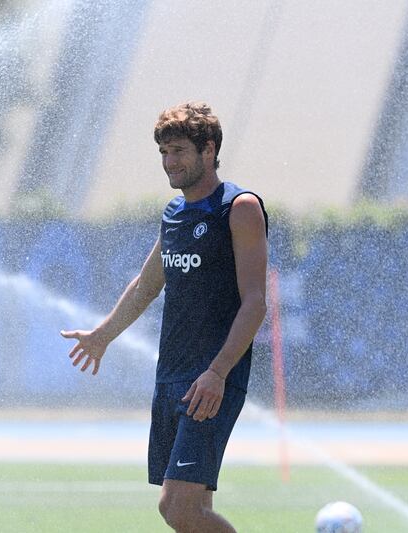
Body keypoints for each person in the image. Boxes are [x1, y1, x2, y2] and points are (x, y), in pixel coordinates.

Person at [60, 101, 268, 533]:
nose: (168, 163)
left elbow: (255, 303)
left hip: (210, 379)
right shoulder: (173, 214)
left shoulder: (239, 208)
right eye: (163, 154)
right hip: (171, 375)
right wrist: (104, 335)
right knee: (188, 509)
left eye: (178, 152)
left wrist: (217, 372)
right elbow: (146, 284)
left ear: (208, 151)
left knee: (178, 508)